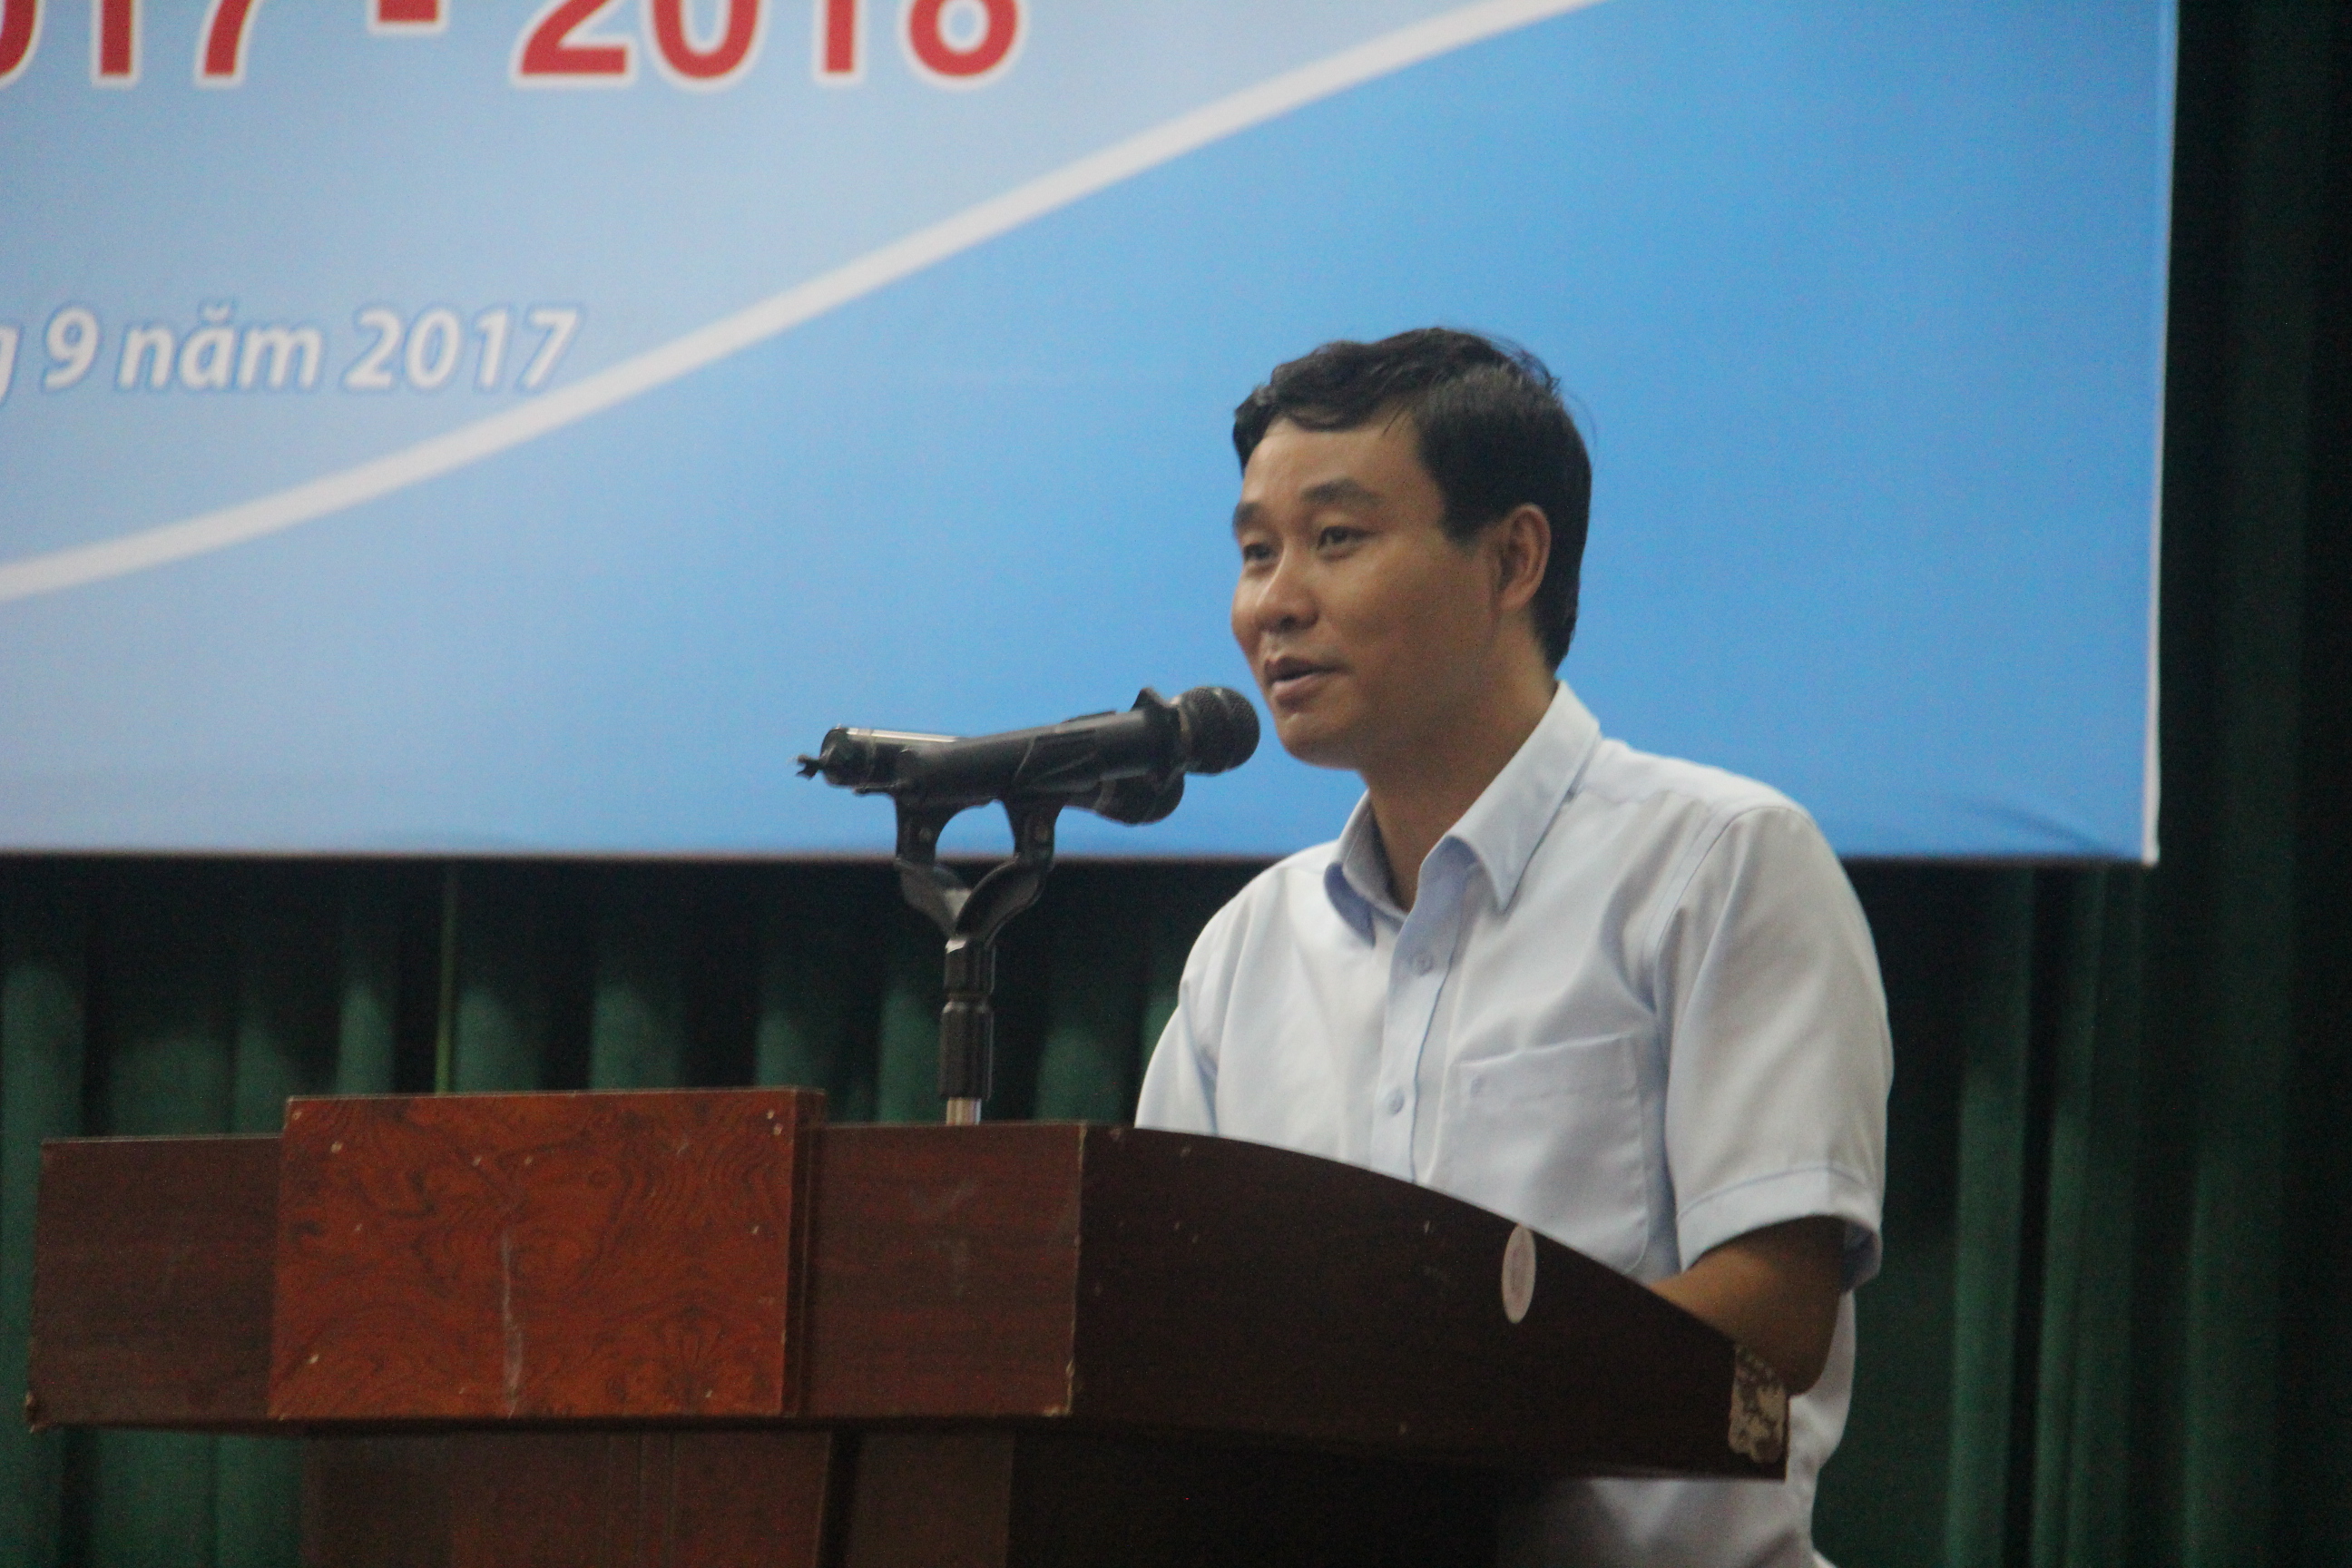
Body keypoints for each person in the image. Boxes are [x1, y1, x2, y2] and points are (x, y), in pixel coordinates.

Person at [1132, 328, 1891, 1568]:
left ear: (1512, 559)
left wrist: (1415, 1411)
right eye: (1257, 552)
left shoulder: (1717, 863)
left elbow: (1773, 1311)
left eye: (1336, 538)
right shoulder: (1248, 950)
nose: (1275, 602)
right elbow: (1164, 1324)